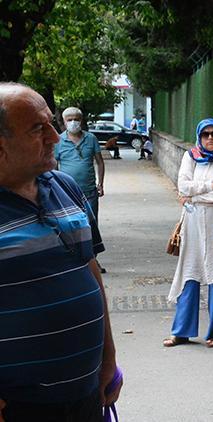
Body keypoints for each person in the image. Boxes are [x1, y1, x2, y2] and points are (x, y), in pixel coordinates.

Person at [0, 82, 122, 421]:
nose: (55, 136)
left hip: (84, 395)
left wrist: (107, 358)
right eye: (38, 128)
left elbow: (90, 270)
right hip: (18, 407)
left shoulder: (64, 186)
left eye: (52, 123)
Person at [164, 118, 213, 348]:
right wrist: (211, 186)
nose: (210, 138)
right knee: (190, 273)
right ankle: (181, 332)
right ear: (199, 136)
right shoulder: (191, 156)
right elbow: (183, 186)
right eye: (205, 134)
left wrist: (196, 196)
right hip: (193, 225)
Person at [55, 106, 107, 273]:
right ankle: (75, 261)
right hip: (66, 192)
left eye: (76, 119)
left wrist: (101, 183)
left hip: (90, 191)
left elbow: (99, 161)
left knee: (91, 226)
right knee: (69, 227)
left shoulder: (91, 139)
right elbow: (54, 166)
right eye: (69, 120)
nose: (73, 122)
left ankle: (93, 261)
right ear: (63, 122)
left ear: (81, 120)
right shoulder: (58, 140)